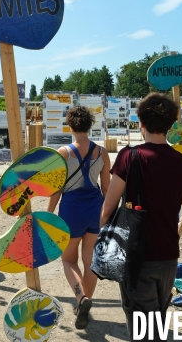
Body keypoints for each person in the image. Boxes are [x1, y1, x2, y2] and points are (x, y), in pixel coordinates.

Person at [100, 92, 182, 342]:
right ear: (171, 126)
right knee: (155, 322)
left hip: (136, 258)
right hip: (168, 259)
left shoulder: (129, 156)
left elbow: (107, 208)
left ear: (141, 123)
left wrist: (102, 245)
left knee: (143, 330)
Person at [47, 106, 111, 330]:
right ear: (89, 125)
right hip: (95, 209)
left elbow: (56, 189)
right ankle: (83, 304)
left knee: (68, 260)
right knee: (90, 262)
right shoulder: (102, 153)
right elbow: (107, 189)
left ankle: (81, 299)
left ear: (70, 125)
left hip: (71, 210)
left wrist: (48, 213)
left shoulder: (63, 153)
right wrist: (107, 216)